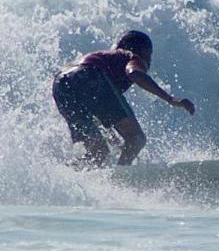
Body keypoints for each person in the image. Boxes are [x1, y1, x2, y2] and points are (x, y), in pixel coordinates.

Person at [52, 30, 195, 166]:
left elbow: (101, 118)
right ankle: (123, 176)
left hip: (61, 84)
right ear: (143, 51)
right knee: (137, 139)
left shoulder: (106, 60)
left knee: (98, 154)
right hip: (89, 75)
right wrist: (171, 99)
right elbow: (134, 73)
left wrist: (120, 144)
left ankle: (63, 175)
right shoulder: (131, 56)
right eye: (150, 54)